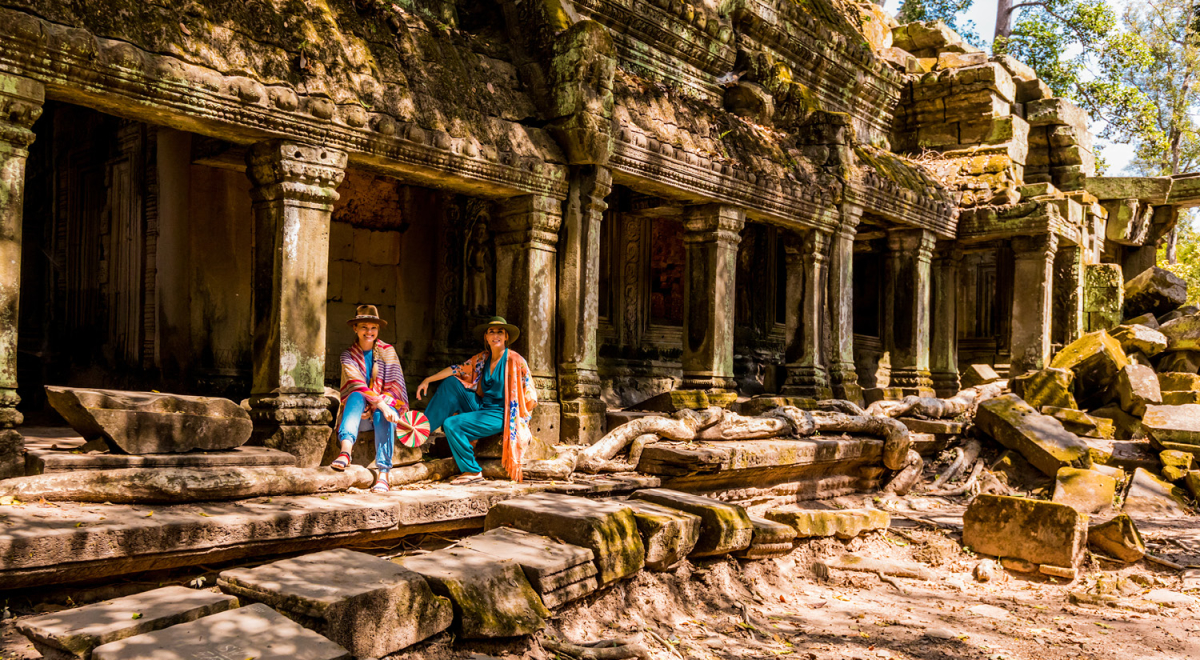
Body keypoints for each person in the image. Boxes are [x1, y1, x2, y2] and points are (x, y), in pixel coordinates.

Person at [416, 316, 538, 485]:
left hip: (501, 414)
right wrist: (428, 379)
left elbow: (530, 395)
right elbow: (456, 369)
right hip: (482, 408)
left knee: (452, 424)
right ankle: (420, 430)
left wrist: (522, 423)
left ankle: (472, 470)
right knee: (452, 383)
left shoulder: (515, 360)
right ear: (486, 337)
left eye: (500, 332)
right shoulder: (483, 358)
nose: (496, 335)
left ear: (506, 337)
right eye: (491, 332)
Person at [330, 305, 408, 493]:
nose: (369, 331)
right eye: (364, 327)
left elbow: (395, 387)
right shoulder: (347, 356)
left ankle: (383, 474)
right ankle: (346, 452)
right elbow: (357, 384)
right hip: (359, 416)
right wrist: (372, 404)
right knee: (356, 394)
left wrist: (379, 405)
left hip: (386, 414)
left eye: (373, 327)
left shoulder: (387, 351)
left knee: (384, 408)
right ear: (355, 328)